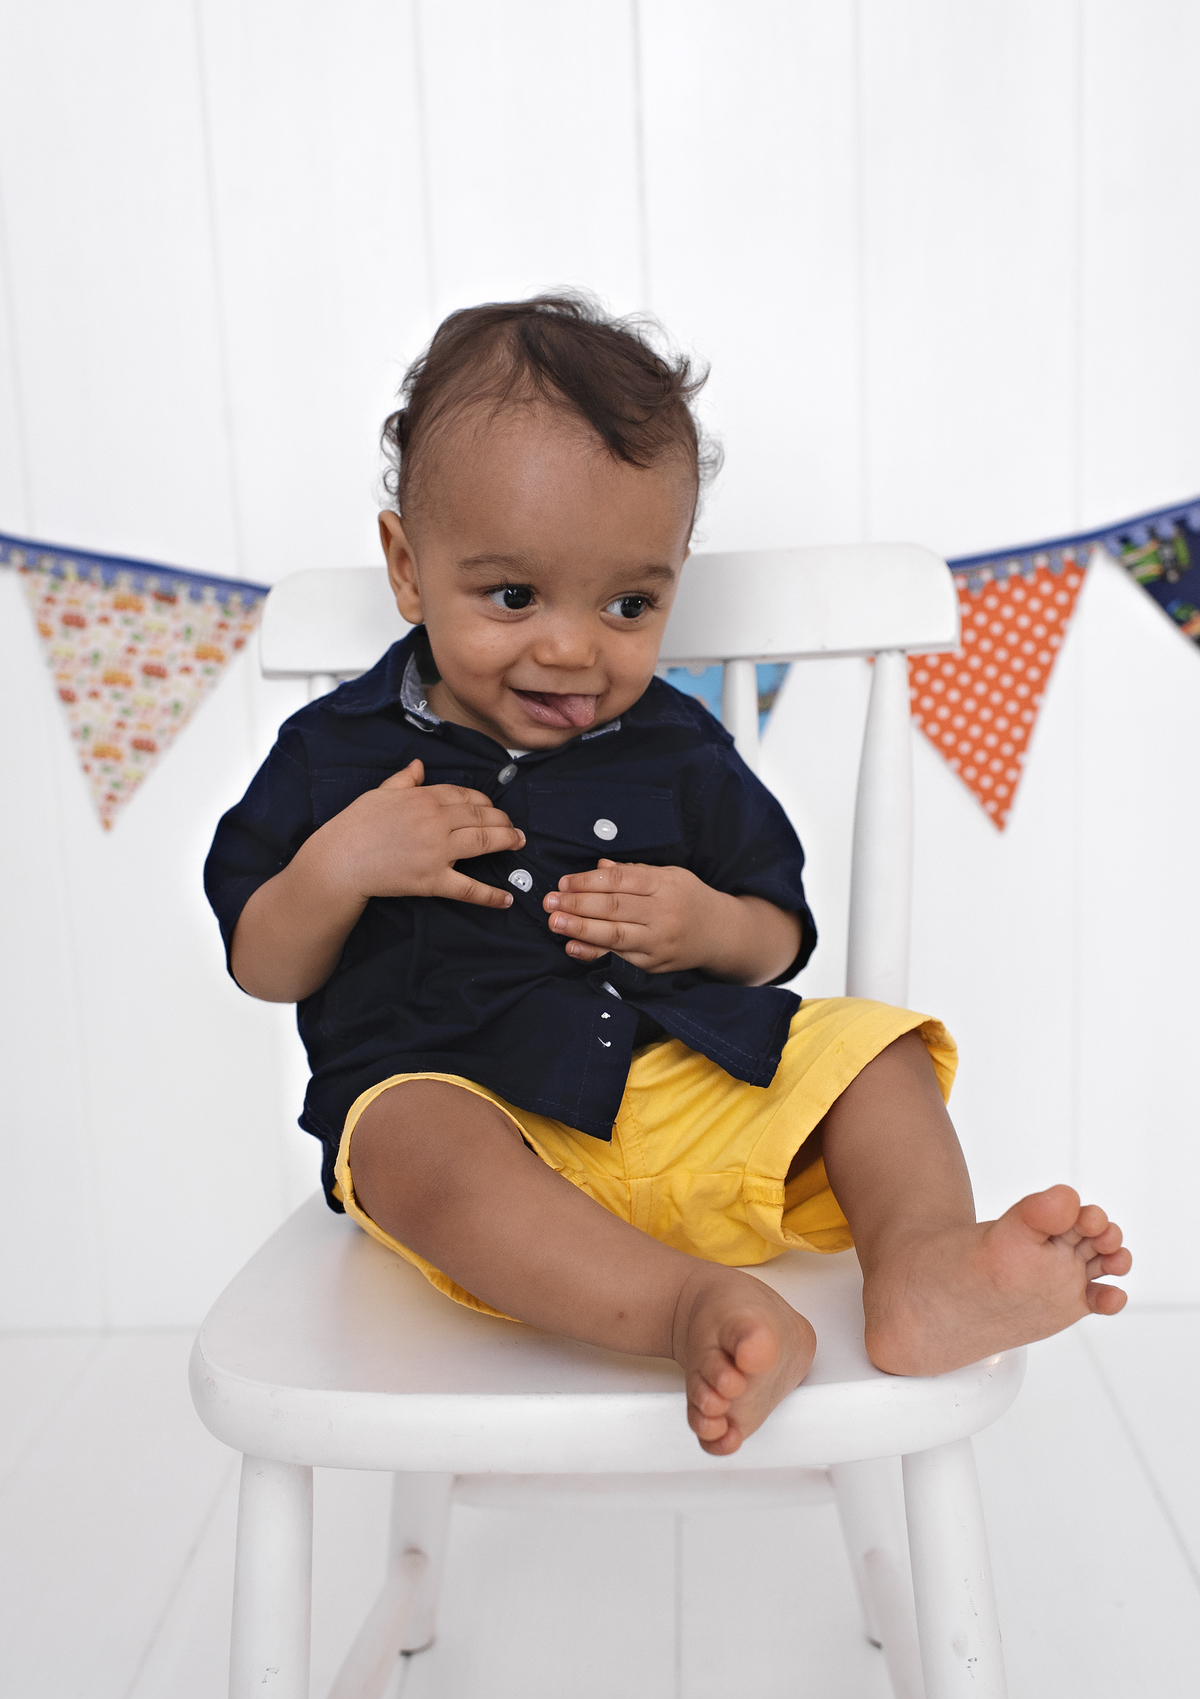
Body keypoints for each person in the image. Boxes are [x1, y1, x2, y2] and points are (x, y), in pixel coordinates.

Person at [205, 294, 1130, 1456]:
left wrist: (704, 926)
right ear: (406, 564)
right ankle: (691, 1310)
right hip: (470, 1118)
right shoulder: (335, 757)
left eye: (629, 603)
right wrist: (340, 864)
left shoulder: (679, 748)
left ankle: (925, 1270)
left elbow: (777, 936)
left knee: (875, 1047)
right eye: (512, 596)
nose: (573, 646)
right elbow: (263, 963)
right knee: (408, 1143)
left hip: (676, 1089)